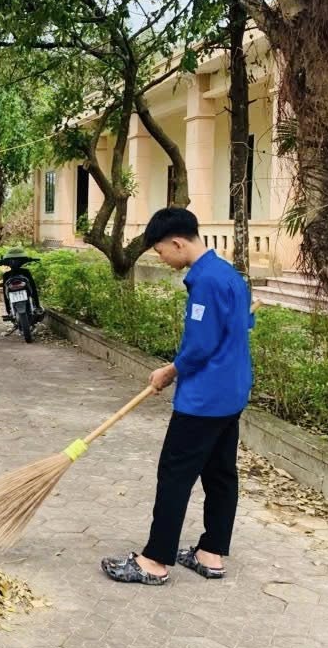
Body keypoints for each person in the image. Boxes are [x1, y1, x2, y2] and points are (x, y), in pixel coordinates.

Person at [102, 207, 254, 586]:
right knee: (221, 474)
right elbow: (243, 324)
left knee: (175, 475)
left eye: (159, 252)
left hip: (203, 400)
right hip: (232, 394)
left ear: (177, 242)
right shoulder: (231, 276)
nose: (162, 259)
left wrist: (169, 372)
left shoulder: (205, 282)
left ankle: (154, 561)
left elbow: (200, 345)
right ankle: (211, 553)